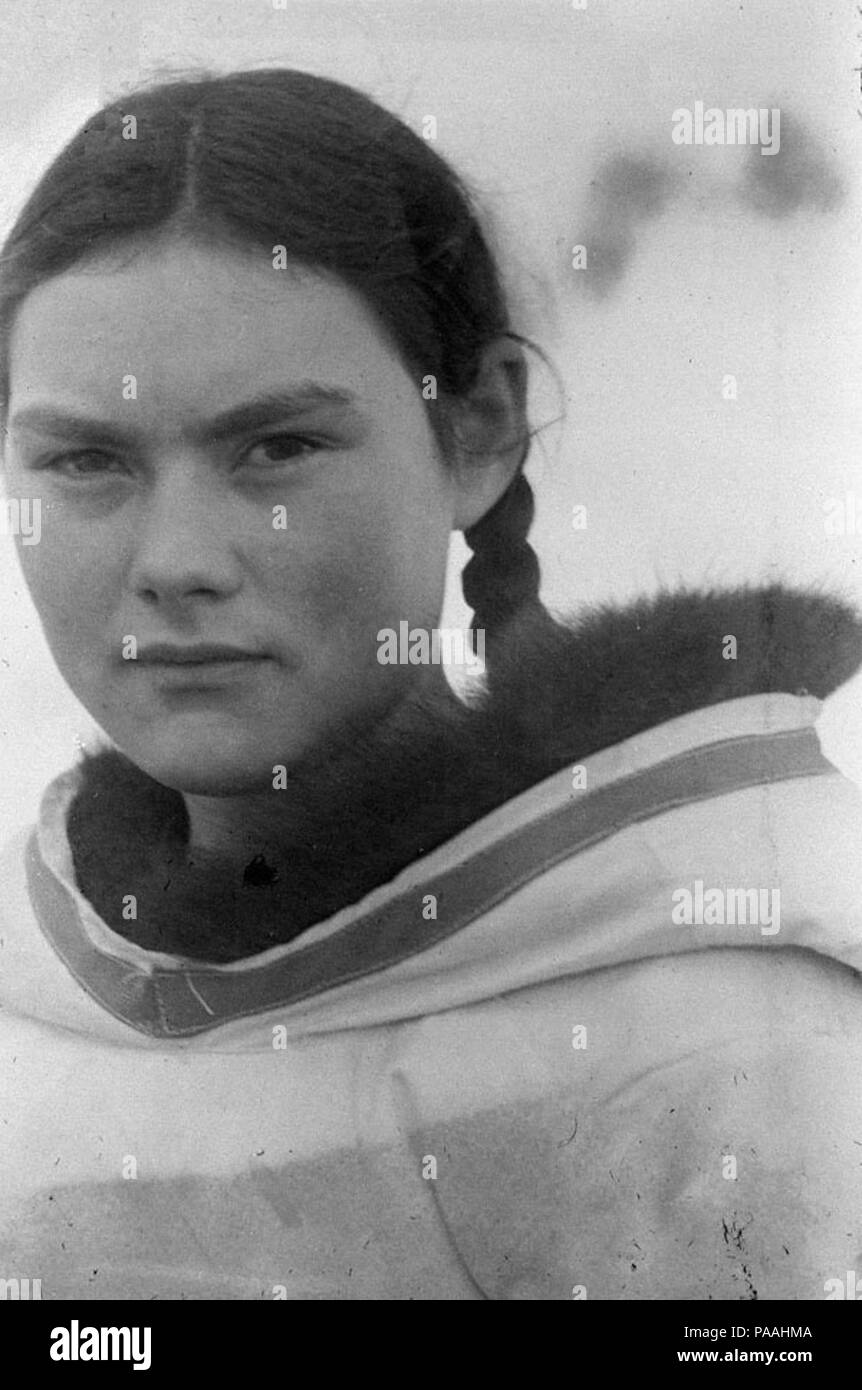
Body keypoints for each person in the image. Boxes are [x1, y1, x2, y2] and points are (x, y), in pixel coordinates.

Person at [1, 67, 862, 1301]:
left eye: (279, 447)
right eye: (85, 460)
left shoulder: (728, 1046)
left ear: (477, 436)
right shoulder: (26, 1014)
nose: (176, 563)